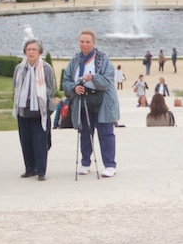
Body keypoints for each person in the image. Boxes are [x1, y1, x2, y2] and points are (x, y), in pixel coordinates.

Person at [62, 30, 120, 178]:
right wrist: (75, 87)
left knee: (106, 133)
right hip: (83, 100)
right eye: (82, 41)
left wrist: (93, 78)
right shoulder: (75, 60)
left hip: (103, 101)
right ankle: (85, 163)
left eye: (88, 41)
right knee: (85, 132)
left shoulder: (103, 59)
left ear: (93, 43)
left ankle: (110, 165)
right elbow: (66, 80)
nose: (84, 44)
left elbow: (107, 81)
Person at [12, 38, 56, 181]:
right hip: (23, 109)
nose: (31, 52)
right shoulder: (20, 68)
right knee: (26, 140)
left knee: (40, 141)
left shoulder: (46, 68)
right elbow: (15, 85)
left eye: (34, 49)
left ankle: (41, 170)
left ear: (39, 52)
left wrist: (39, 98)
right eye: (28, 49)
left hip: (40, 109)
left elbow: (51, 88)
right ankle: (29, 168)